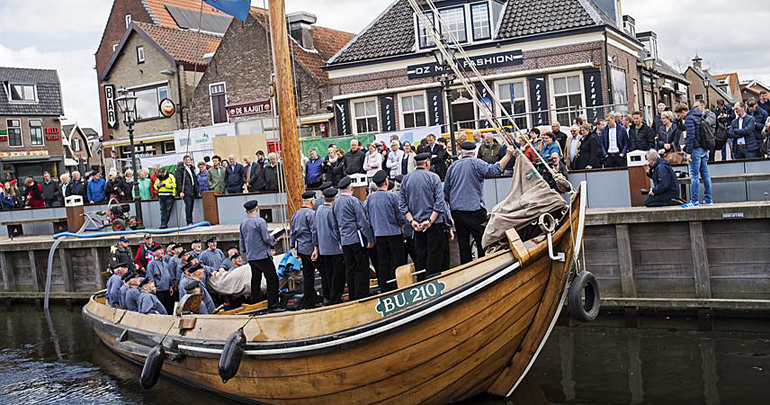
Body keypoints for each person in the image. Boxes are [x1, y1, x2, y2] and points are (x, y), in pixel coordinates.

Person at [444, 142, 513, 265]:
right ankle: (483, 264)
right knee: (482, 239)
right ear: (474, 152)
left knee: (463, 241)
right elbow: (494, 170)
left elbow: (446, 190)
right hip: (473, 209)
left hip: (457, 210)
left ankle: (466, 267)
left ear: (461, 151)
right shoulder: (476, 163)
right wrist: (508, 155)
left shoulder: (453, 167)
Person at [399, 152, 446, 279]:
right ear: (427, 162)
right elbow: (440, 203)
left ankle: (421, 283)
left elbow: (402, 204)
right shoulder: (433, 177)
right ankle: (432, 283)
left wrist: (411, 221)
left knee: (421, 255)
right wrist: (430, 221)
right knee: (434, 255)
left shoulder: (406, 178)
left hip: (417, 225)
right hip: (434, 224)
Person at [333, 176, 374, 300]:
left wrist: (339, 240)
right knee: (361, 268)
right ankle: (362, 294)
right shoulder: (354, 201)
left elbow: (335, 224)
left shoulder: (335, 203)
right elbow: (363, 222)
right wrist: (370, 239)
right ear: (351, 188)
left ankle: (352, 295)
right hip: (357, 239)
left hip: (345, 241)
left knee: (350, 269)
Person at [364, 170, 405, 293]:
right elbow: (400, 216)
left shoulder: (370, 198)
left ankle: (385, 287)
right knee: (397, 261)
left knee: (383, 262)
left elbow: (367, 217)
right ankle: (397, 285)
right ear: (386, 181)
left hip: (378, 234)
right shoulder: (392, 196)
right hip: (394, 233)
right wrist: (401, 226)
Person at [239, 200, 281, 311]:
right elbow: (267, 238)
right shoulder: (260, 222)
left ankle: (256, 303)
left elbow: (242, 240)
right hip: (262, 255)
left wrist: (244, 251)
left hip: (251, 256)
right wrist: (274, 240)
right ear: (256, 209)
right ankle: (273, 305)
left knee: (255, 279)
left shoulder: (243, 223)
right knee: (272, 279)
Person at [312, 187, 345, 305]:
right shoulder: (332, 210)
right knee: (338, 275)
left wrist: (315, 246)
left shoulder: (319, 210)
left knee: (327, 275)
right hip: (335, 249)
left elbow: (314, 230)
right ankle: (336, 299)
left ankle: (328, 297)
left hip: (324, 249)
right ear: (335, 198)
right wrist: (340, 242)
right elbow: (336, 229)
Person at [682, 100, 713, 207]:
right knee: (705, 175)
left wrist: (689, 152)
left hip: (695, 150)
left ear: (683, 112)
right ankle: (708, 199)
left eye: (679, 114)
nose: (680, 117)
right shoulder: (700, 116)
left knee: (694, 176)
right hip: (704, 149)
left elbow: (690, 137)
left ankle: (694, 200)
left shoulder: (689, 119)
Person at [291, 191, 319, 308]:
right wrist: (316, 248)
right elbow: (314, 232)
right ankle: (327, 297)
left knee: (308, 275)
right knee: (324, 272)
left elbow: (292, 233)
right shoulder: (311, 214)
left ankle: (310, 301)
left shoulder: (296, 214)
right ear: (312, 201)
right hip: (310, 249)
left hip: (301, 249)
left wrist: (293, 247)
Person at [145, 245, 174, 314]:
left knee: (169, 308)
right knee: (161, 309)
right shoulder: (151, 264)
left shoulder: (165, 263)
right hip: (158, 290)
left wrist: (170, 286)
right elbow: (150, 277)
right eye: (159, 250)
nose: (162, 251)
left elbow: (168, 276)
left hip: (167, 289)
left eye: (162, 250)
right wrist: (152, 288)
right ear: (154, 253)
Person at [175, 155, 199, 225]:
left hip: (192, 189)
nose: (188, 161)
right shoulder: (180, 170)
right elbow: (179, 181)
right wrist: (180, 192)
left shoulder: (191, 168)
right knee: (188, 206)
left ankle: (191, 220)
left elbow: (194, 179)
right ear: (184, 161)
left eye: (189, 160)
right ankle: (189, 221)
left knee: (191, 206)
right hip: (185, 190)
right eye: (187, 160)